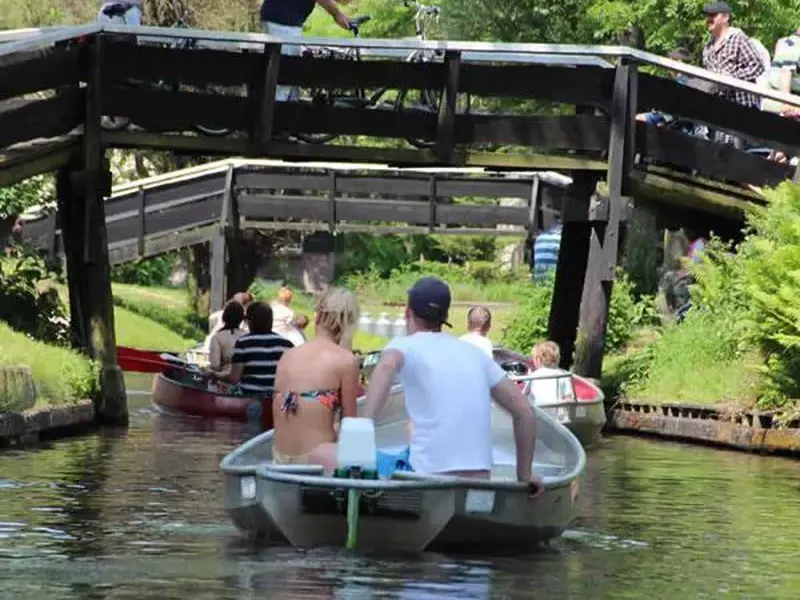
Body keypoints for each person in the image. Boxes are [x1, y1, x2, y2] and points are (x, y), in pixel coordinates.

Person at [362, 277, 542, 496]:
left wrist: (362, 428)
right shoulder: (475, 354)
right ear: (445, 317)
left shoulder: (403, 346)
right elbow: (524, 412)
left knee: (340, 456)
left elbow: (387, 365)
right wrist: (524, 476)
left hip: (429, 480)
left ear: (407, 312)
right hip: (480, 485)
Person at [271, 288, 360, 466]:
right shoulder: (346, 360)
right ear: (349, 322)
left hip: (280, 458)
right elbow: (351, 426)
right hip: (315, 463)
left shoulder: (287, 356)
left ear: (317, 317)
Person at [260, 0, 352, 101]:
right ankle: (274, 113)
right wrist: (337, 15)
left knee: (290, 80)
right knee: (284, 78)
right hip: (283, 22)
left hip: (282, 19)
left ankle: (287, 111)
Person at [701, 2, 766, 146]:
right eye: (707, 15)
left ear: (725, 17)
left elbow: (757, 66)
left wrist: (731, 78)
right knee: (716, 151)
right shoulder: (707, 48)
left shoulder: (738, 39)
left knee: (738, 154)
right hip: (718, 110)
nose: (708, 19)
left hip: (741, 109)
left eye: (713, 15)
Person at [211, 301, 294, 396]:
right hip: (275, 400)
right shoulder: (287, 345)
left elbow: (234, 378)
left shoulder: (243, 343)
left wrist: (215, 375)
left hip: (249, 400)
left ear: (250, 322)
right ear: (270, 320)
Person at [204, 300, 247, 387]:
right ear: (241, 318)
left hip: (225, 381)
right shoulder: (248, 335)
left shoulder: (217, 337)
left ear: (224, 317)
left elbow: (215, 365)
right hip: (245, 380)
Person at [528, 341, 574, 406]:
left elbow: (525, 394)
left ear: (538, 359)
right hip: (557, 413)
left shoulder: (533, 376)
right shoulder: (564, 374)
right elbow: (568, 397)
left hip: (538, 412)